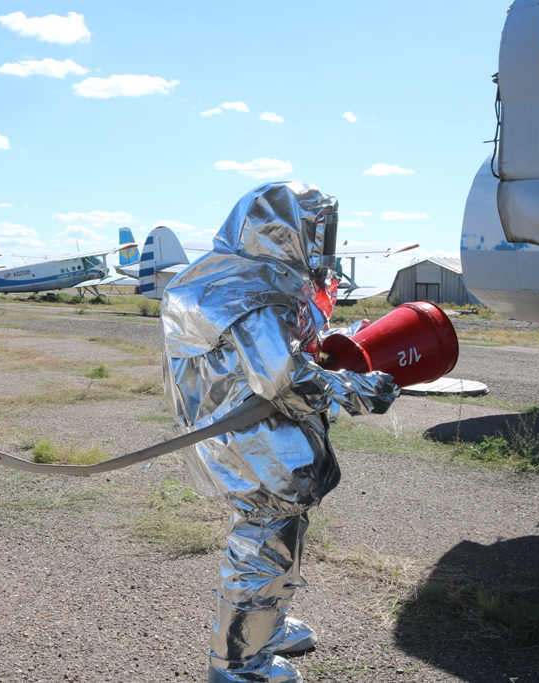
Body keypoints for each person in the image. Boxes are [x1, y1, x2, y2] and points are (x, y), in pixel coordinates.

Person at [160, 182, 400, 683]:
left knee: (278, 534)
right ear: (288, 229)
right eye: (317, 230)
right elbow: (282, 377)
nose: (322, 243)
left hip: (248, 434)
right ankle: (238, 664)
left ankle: (263, 624)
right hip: (252, 440)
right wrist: (357, 390)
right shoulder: (246, 287)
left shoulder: (235, 274)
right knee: (265, 541)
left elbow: (286, 348)